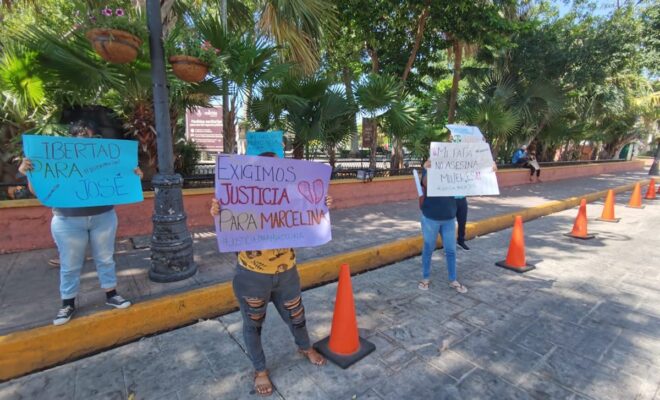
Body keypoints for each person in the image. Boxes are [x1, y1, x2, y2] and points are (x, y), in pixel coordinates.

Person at [210, 151, 328, 397]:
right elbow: (229, 225)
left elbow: (309, 218)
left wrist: (321, 206)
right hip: (252, 278)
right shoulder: (242, 198)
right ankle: (260, 369)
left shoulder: (291, 197)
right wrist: (218, 212)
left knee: (297, 316)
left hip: (287, 274)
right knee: (253, 325)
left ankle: (305, 347)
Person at [18, 121, 142, 326]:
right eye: (81, 137)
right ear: (71, 139)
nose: (85, 141)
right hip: (67, 220)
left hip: (103, 216)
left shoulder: (103, 158)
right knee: (70, 263)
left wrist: (134, 174)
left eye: (89, 137)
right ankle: (67, 303)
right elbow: (37, 191)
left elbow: (123, 179)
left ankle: (111, 294)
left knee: (105, 258)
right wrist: (29, 173)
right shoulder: (59, 159)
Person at [418, 160, 467, 294]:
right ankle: (425, 278)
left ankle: (453, 279)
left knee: (451, 250)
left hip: (449, 218)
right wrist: (428, 168)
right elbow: (426, 183)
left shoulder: (454, 170)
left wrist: (490, 169)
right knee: (428, 249)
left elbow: (470, 181)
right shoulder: (429, 167)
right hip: (430, 218)